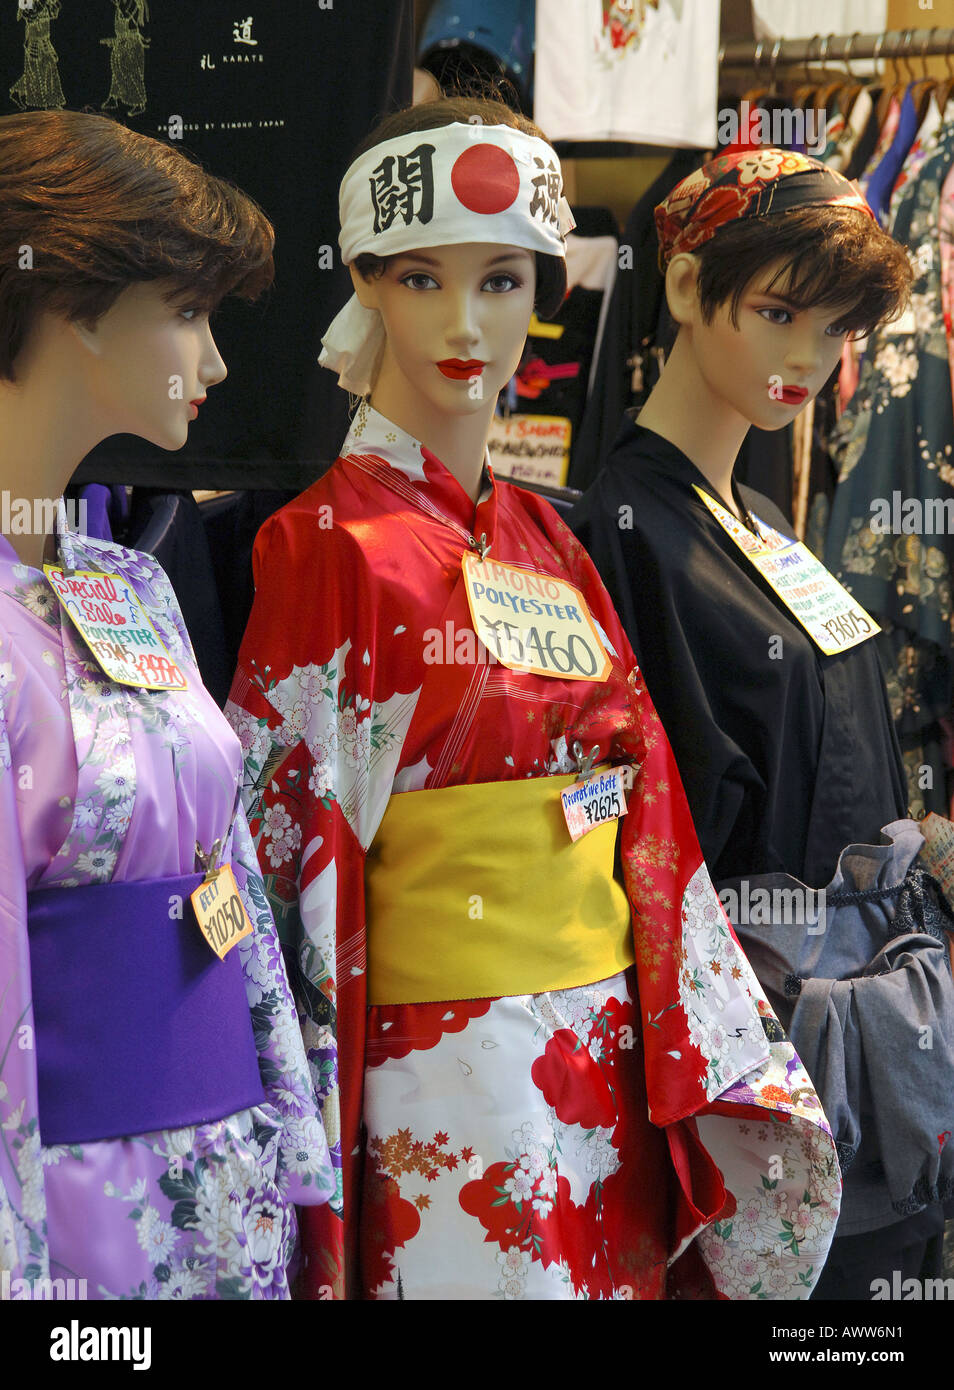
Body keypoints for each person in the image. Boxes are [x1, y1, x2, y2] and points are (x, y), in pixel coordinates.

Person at [226, 98, 842, 1301]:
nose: (466, 323)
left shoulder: (545, 539)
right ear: (364, 282)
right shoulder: (326, 545)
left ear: (544, 290)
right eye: (420, 278)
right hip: (442, 1077)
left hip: (594, 1053)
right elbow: (284, 847)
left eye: (504, 281)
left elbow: (646, 803)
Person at [569, 148, 954, 1299]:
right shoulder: (620, 532)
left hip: (875, 1033)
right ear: (686, 290)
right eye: (780, 312)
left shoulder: (765, 528)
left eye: (835, 329)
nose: (808, 356)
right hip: (753, 1063)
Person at [0, 109, 332, 1301]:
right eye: (188, 313)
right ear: (75, 303)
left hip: (218, 1174)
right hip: (73, 1214)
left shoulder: (128, 582)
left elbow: (224, 874)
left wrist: (288, 1136)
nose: (219, 360)